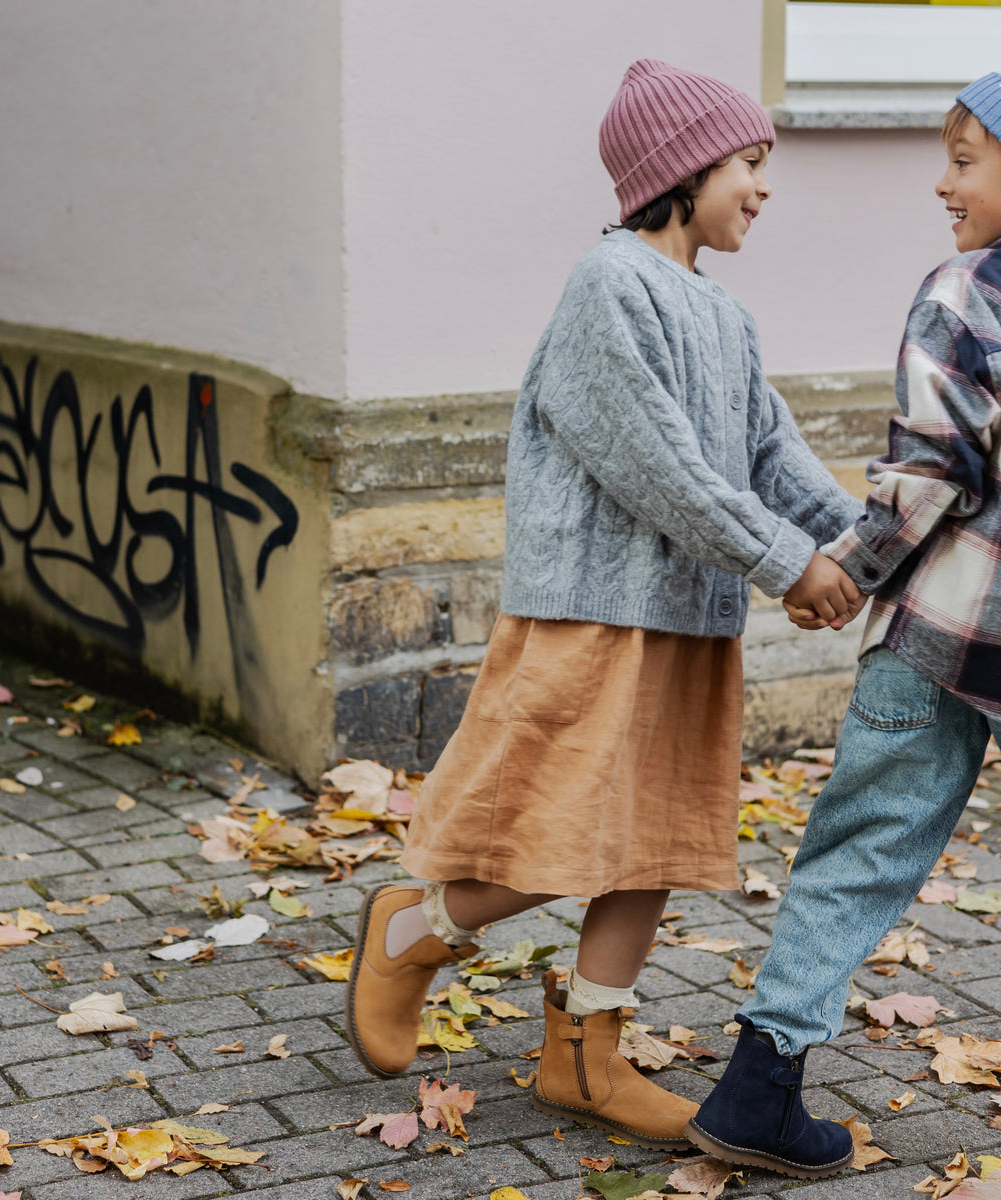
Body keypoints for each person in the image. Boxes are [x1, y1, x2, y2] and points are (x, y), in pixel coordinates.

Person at [342, 58, 862, 1152]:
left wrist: (866, 550)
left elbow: (774, 455)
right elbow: (658, 465)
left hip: (687, 616)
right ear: (680, 169)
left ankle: (586, 1054)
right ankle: (415, 930)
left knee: (653, 843)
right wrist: (785, 563)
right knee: (564, 829)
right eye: (748, 165)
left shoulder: (723, 314)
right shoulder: (607, 286)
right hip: (595, 614)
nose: (763, 189)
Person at [688, 71, 1001, 1180]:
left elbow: (931, 470)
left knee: (861, 849)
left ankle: (759, 1086)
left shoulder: (967, 292)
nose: (941, 181)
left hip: (945, 633)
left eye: (965, 159)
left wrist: (846, 572)